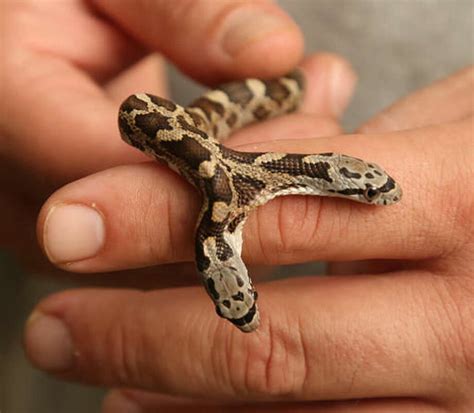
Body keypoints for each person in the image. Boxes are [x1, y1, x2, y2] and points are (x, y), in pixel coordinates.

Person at [1, 1, 472, 411]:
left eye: (369, 190)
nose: (382, 198)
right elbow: (141, 113)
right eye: (369, 190)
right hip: (109, 286)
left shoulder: (228, 198)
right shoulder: (225, 199)